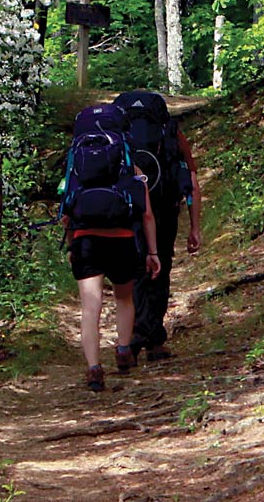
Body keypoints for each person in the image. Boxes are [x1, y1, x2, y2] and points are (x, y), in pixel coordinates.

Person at [118, 94, 203, 363]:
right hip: (164, 207)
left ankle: (134, 337)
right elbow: (191, 178)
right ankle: (149, 337)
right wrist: (195, 226)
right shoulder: (170, 131)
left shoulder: (118, 132)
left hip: (128, 208)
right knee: (159, 267)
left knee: (133, 270)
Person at [64, 167, 160, 392]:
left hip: (86, 240)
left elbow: (66, 215)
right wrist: (153, 252)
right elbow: (146, 214)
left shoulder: (77, 166)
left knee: (90, 306)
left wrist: (71, 245)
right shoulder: (130, 166)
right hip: (122, 240)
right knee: (124, 297)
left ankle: (94, 368)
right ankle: (124, 350)